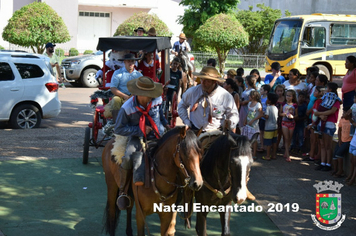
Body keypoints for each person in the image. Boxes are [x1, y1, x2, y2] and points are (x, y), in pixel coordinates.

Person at [114, 76, 169, 210]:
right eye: (148, 95)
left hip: (158, 135)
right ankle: (124, 192)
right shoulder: (127, 108)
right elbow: (119, 128)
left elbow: (161, 116)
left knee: (175, 153)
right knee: (127, 157)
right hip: (137, 138)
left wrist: (167, 126)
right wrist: (139, 130)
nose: (152, 97)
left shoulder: (157, 100)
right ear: (139, 94)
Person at [178, 66, 238, 132]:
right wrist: (187, 122)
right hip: (195, 130)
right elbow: (181, 106)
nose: (202, 83)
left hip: (217, 133)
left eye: (207, 81)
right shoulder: (192, 92)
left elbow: (234, 114)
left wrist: (230, 124)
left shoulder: (225, 96)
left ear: (214, 82)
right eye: (201, 79)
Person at [314, 86, 341, 172]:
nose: (325, 91)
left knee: (328, 145)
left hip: (329, 124)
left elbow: (332, 111)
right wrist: (320, 114)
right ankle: (322, 162)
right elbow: (316, 111)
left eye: (326, 89)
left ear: (330, 90)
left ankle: (328, 163)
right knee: (322, 144)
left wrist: (319, 113)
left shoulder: (336, 101)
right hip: (321, 123)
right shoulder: (324, 99)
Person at [242, 90, 263, 159]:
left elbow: (261, 114)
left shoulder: (258, 105)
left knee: (254, 139)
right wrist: (245, 119)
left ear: (253, 96)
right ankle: (248, 152)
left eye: (250, 95)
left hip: (254, 125)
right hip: (248, 124)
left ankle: (254, 153)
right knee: (247, 138)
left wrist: (253, 120)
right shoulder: (249, 103)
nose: (249, 97)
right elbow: (248, 113)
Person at [332, 108, 352, 177]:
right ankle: (335, 169)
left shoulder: (351, 121)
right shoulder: (342, 119)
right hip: (342, 140)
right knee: (334, 154)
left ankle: (340, 171)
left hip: (348, 141)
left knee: (339, 154)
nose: (344, 114)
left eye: (346, 112)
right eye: (343, 112)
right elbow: (339, 130)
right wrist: (340, 140)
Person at [279, 89, 298, 162]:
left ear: (293, 97)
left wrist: (293, 116)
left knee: (289, 138)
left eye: (289, 96)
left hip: (291, 123)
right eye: (287, 95)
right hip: (284, 122)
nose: (288, 97)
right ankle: (288, 154)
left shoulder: (295, 105)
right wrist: (284, 114)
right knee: (286, 138)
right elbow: (280, 113)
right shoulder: (283, 104)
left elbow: (296, 115)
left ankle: (286, 151)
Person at [262, 93, 279, 160]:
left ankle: (267, 155)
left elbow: (267, 116)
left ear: (269, 100)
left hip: (268, 127)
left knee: (268, 143)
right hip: (275, 127)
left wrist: (262, 114)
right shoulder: (276, 108)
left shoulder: (268, 108)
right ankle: (273, 155)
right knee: (274, 142)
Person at [258, 84, 271, 152]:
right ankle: (262, 145)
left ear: (266, 91)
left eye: (261, 89)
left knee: (265, 132)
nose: (260, 91)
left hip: (266, 117)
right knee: (261, 132)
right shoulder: (261, 97)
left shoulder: (267, 99)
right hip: (261, 117)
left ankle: (266, 146)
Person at [275, 85, 286, 151]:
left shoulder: (284, 98)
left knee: (281, 132)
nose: (279, 92)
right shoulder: (274, 98)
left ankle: (283, 145)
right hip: (275, 117)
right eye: (278, 91)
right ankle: (275, 145)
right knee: (276, 132)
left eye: (281, 91)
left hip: (282, 116)